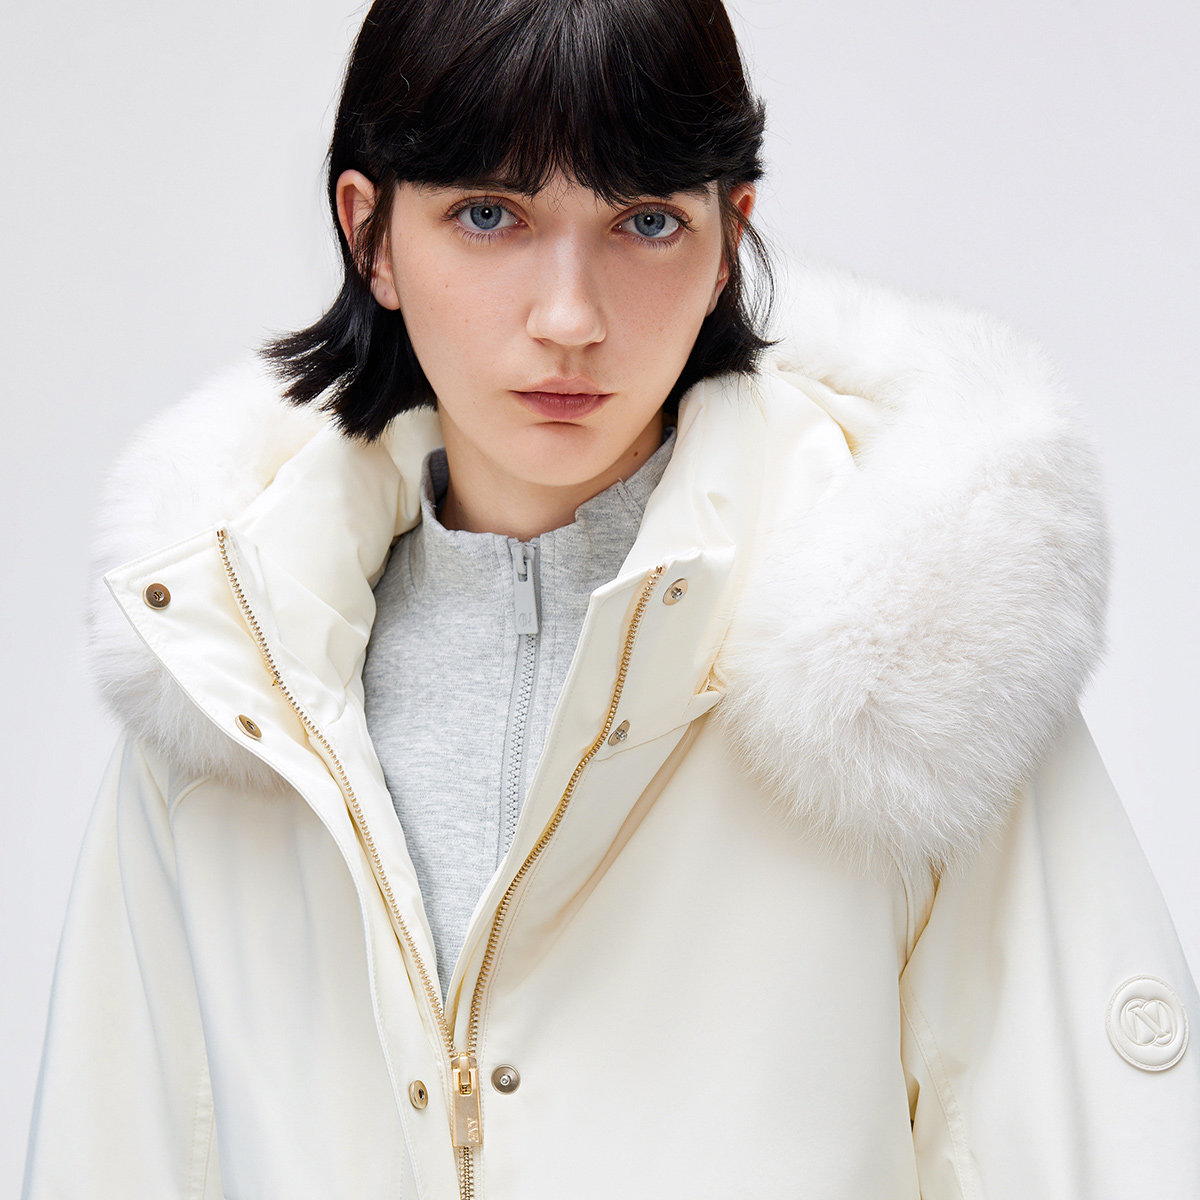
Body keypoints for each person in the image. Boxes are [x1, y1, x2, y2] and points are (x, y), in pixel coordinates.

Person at [22, 0, 1199, 1196]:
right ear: (369, 233)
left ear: (728, 242)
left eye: (644, 222)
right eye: (490, 215)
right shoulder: (233, 671)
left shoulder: (918, 651)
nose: (570, 318)